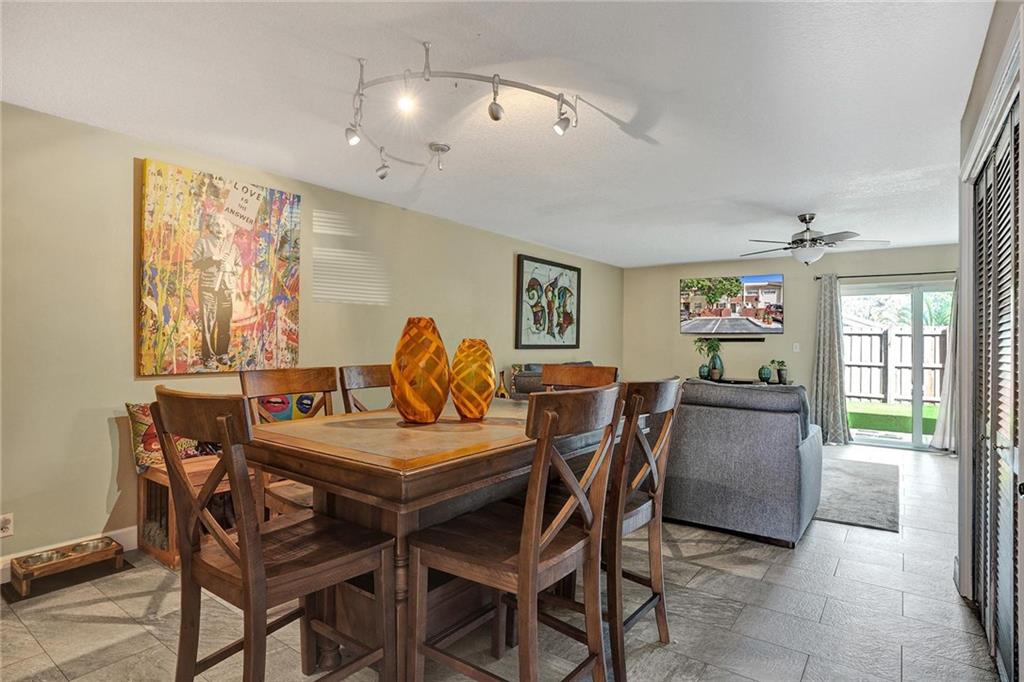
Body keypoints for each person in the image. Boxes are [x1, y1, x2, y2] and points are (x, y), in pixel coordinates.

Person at [192, 216, 241, 369]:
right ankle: (209, 357)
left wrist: (230, 268)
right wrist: (212, 259)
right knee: (208, 323)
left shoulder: (232, 247)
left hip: (226, 289)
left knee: (225, 322)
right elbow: (195, 263)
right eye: (217, 225)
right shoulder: (203, 242)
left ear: (228, 230)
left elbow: (239, 267)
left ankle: (222, 354)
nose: (220, 229)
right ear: (212, 227)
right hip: (208, 288)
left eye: (223, 226)